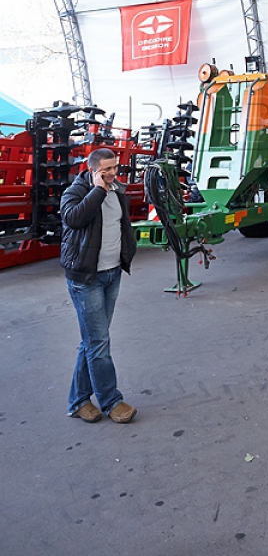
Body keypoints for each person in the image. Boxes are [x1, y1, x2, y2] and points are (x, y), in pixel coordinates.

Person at [60, 146, 138, 424]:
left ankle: (78, 400)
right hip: (86, 278)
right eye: (106, 170)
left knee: (92, 342)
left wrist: (128, 252)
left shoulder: (118, 191)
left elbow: (122, 226)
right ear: (93, 170)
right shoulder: (75, 192)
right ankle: (111, 401)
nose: (113, 173)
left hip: (111, 274)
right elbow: (74, 218)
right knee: (98, 342)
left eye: (115, 168)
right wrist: (97, 190)